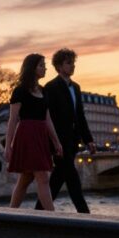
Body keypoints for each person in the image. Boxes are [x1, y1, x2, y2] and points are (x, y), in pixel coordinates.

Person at [35, 48, 95, 213]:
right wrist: (53, 142)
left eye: (73, 63)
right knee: (72, 179)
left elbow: (80, 116)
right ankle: (85, 216)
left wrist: (88, 139)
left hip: (72, 141)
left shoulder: (76, 87)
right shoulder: (51, 87)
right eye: (69, 63)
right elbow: (48, 118)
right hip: (58, 142)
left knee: (58, 180)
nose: (72, 66)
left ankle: (38, 212)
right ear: (59, 66)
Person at [5, 53, 62, 210]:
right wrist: (7, 146)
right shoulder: (20, 91)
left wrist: (56, 142)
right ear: (32, 68)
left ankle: (10, 213)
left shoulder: (44, 91)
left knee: (25, 179)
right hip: (27, 135)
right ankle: (53, 218)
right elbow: (13, 119)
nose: (45, 68)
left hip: (40, 136)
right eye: (41, 65)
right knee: (43, 178)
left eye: (45, 65)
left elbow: (47, 119)